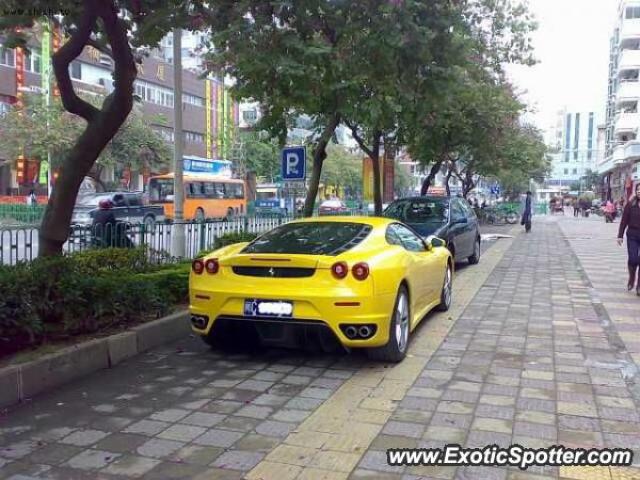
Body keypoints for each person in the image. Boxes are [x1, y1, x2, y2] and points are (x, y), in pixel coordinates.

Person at [618, 183, 640, 295]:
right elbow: (623, 221)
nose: (639, 191)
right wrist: (620, 236)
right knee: (633, 259)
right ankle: (632, 277)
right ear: (636, 191)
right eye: (638, 190)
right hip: (632, 235)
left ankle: (639, 286)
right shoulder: (630, 205)